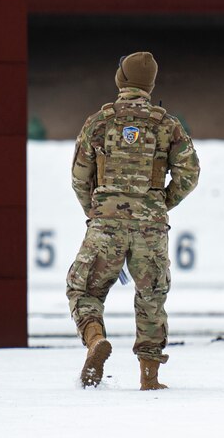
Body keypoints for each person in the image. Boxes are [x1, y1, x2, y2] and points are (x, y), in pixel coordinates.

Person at [67, 51, 200, 389]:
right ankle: (149, 377)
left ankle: (95, 339)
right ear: (150, 84)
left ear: (121, 80)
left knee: (84, 289)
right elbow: (190, 173)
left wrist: (94, 209)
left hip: (106, 222)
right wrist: (160, 203)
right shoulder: (166, 124)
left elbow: (79, 175)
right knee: (151, 295)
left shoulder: (99, 121)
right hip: (150, 226)